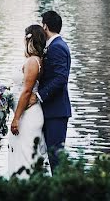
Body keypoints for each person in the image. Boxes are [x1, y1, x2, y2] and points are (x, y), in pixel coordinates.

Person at [34, 10, 71, 173]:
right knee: (51, 156)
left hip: (56, 112)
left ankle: (61, 191)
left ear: (45, 26)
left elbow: (61, 78)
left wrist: (39, 96)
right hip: (51, 111)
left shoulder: (57, 47)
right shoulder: (54, 46)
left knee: (56, 157)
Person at [7, 24, 47, 178]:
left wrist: (16, 119)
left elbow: (26, 92)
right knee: (25, 154)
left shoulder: (32, 62)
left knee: (26, 157)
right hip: (29, 113)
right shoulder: (37, 60)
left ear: (29, 40)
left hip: (28, 115)